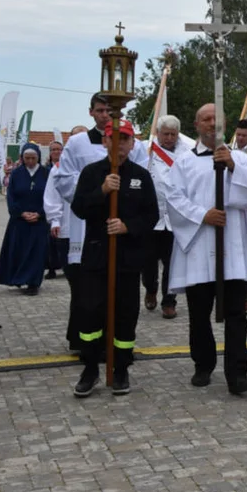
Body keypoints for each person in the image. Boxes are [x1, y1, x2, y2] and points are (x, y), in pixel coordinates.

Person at [166, 103, 247, 395]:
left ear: (224, 125)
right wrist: (202, 215)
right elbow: (173, 198)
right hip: (198, 245)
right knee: (199, 312)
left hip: (232, 246)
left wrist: (232, 166)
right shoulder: (183, 162)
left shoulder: (242, 160)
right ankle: (203, 364)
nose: (211, 124)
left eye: (216, 119)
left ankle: (237, 373)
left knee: (236, 313)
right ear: (196, 126)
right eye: (205, 119)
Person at [69, 120, 159, 397]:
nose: (119, 144)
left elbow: (151, 215)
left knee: (125, 314)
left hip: (128, 258)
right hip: (96, 256)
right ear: (104, 141)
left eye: (125, 139)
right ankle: (90, 368)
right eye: (114, 138)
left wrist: (127, 226)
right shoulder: (91, 173)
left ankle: (121, 368)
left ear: (132, 144)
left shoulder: (141, 176)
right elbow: (79, 208)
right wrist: (103, 191)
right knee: (90, 313)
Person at [53, 94, 148, 352]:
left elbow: (143, 187)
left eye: (109, 110)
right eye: (100, 110)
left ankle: (119, 352)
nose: (105, 114)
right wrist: (98, 193)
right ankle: (85, 347)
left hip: (123, 230)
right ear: (91, 112)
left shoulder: (133, 143)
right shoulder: (77, 143)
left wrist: (126, 207)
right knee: (88, 295)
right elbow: (63, 180)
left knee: (123, 298)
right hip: (90, 228)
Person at [144, 115, 191, 320]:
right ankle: (150, 288)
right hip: (150, 218)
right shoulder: (146, 150)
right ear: (159, 133)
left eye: (173, 134)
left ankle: (169, 301)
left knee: (172, 263)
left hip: (175, 218)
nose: (170, 138)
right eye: (166, 134)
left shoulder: (186, 153)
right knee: (148, 263)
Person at [0, 144, 49, 295]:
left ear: (38, 157)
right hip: (20, 220)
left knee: (36, 252)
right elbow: (11, 196)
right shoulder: (17, 174)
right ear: (22, 158)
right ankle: (19, 278)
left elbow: (51, 197)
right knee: (20, 250)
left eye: (33, 158)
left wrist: (40, 213)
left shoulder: (46, 173)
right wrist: (20, 213)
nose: (30, 161)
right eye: (27, 158)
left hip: (39, 220)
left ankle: (33, 282)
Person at [42, 140, 70, 279]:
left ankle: (65, 266)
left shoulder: (68, 166)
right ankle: (51, 267)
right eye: (53, 149)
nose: (56, 152)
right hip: (52, 209)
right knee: (51, 242)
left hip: (67, 210)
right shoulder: (47, 169)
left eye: (59, 149)